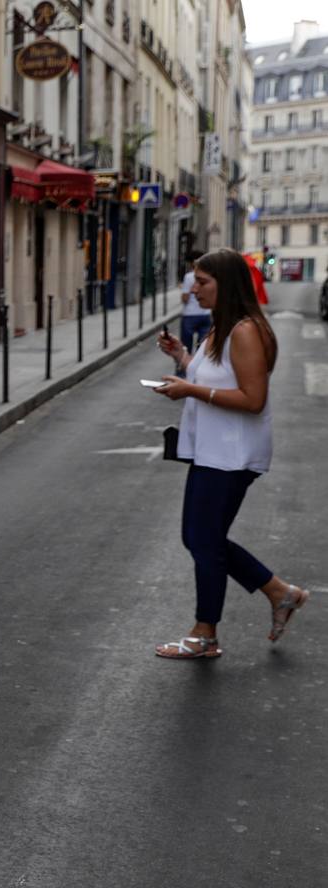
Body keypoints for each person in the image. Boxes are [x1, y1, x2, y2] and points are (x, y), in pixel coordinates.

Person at [151, 248, 309, 659]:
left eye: (203, 282)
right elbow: (217, 378)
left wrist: (189, 389)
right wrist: (182, 360)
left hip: (231, 456)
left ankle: (205, 633)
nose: (194, 288)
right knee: (201, 538)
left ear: (227, 284)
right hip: (212, 452)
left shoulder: (245, 330)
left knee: (203, 541)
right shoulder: (220, 328)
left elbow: (253, 399)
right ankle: (279, 592)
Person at [177, 248, 211, 360]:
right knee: (202, 350)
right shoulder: (209, 276)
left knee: (185, 348)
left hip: (190, 314)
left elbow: (185, 298)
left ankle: (182, 372)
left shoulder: (189, 276)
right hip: (205, 314)